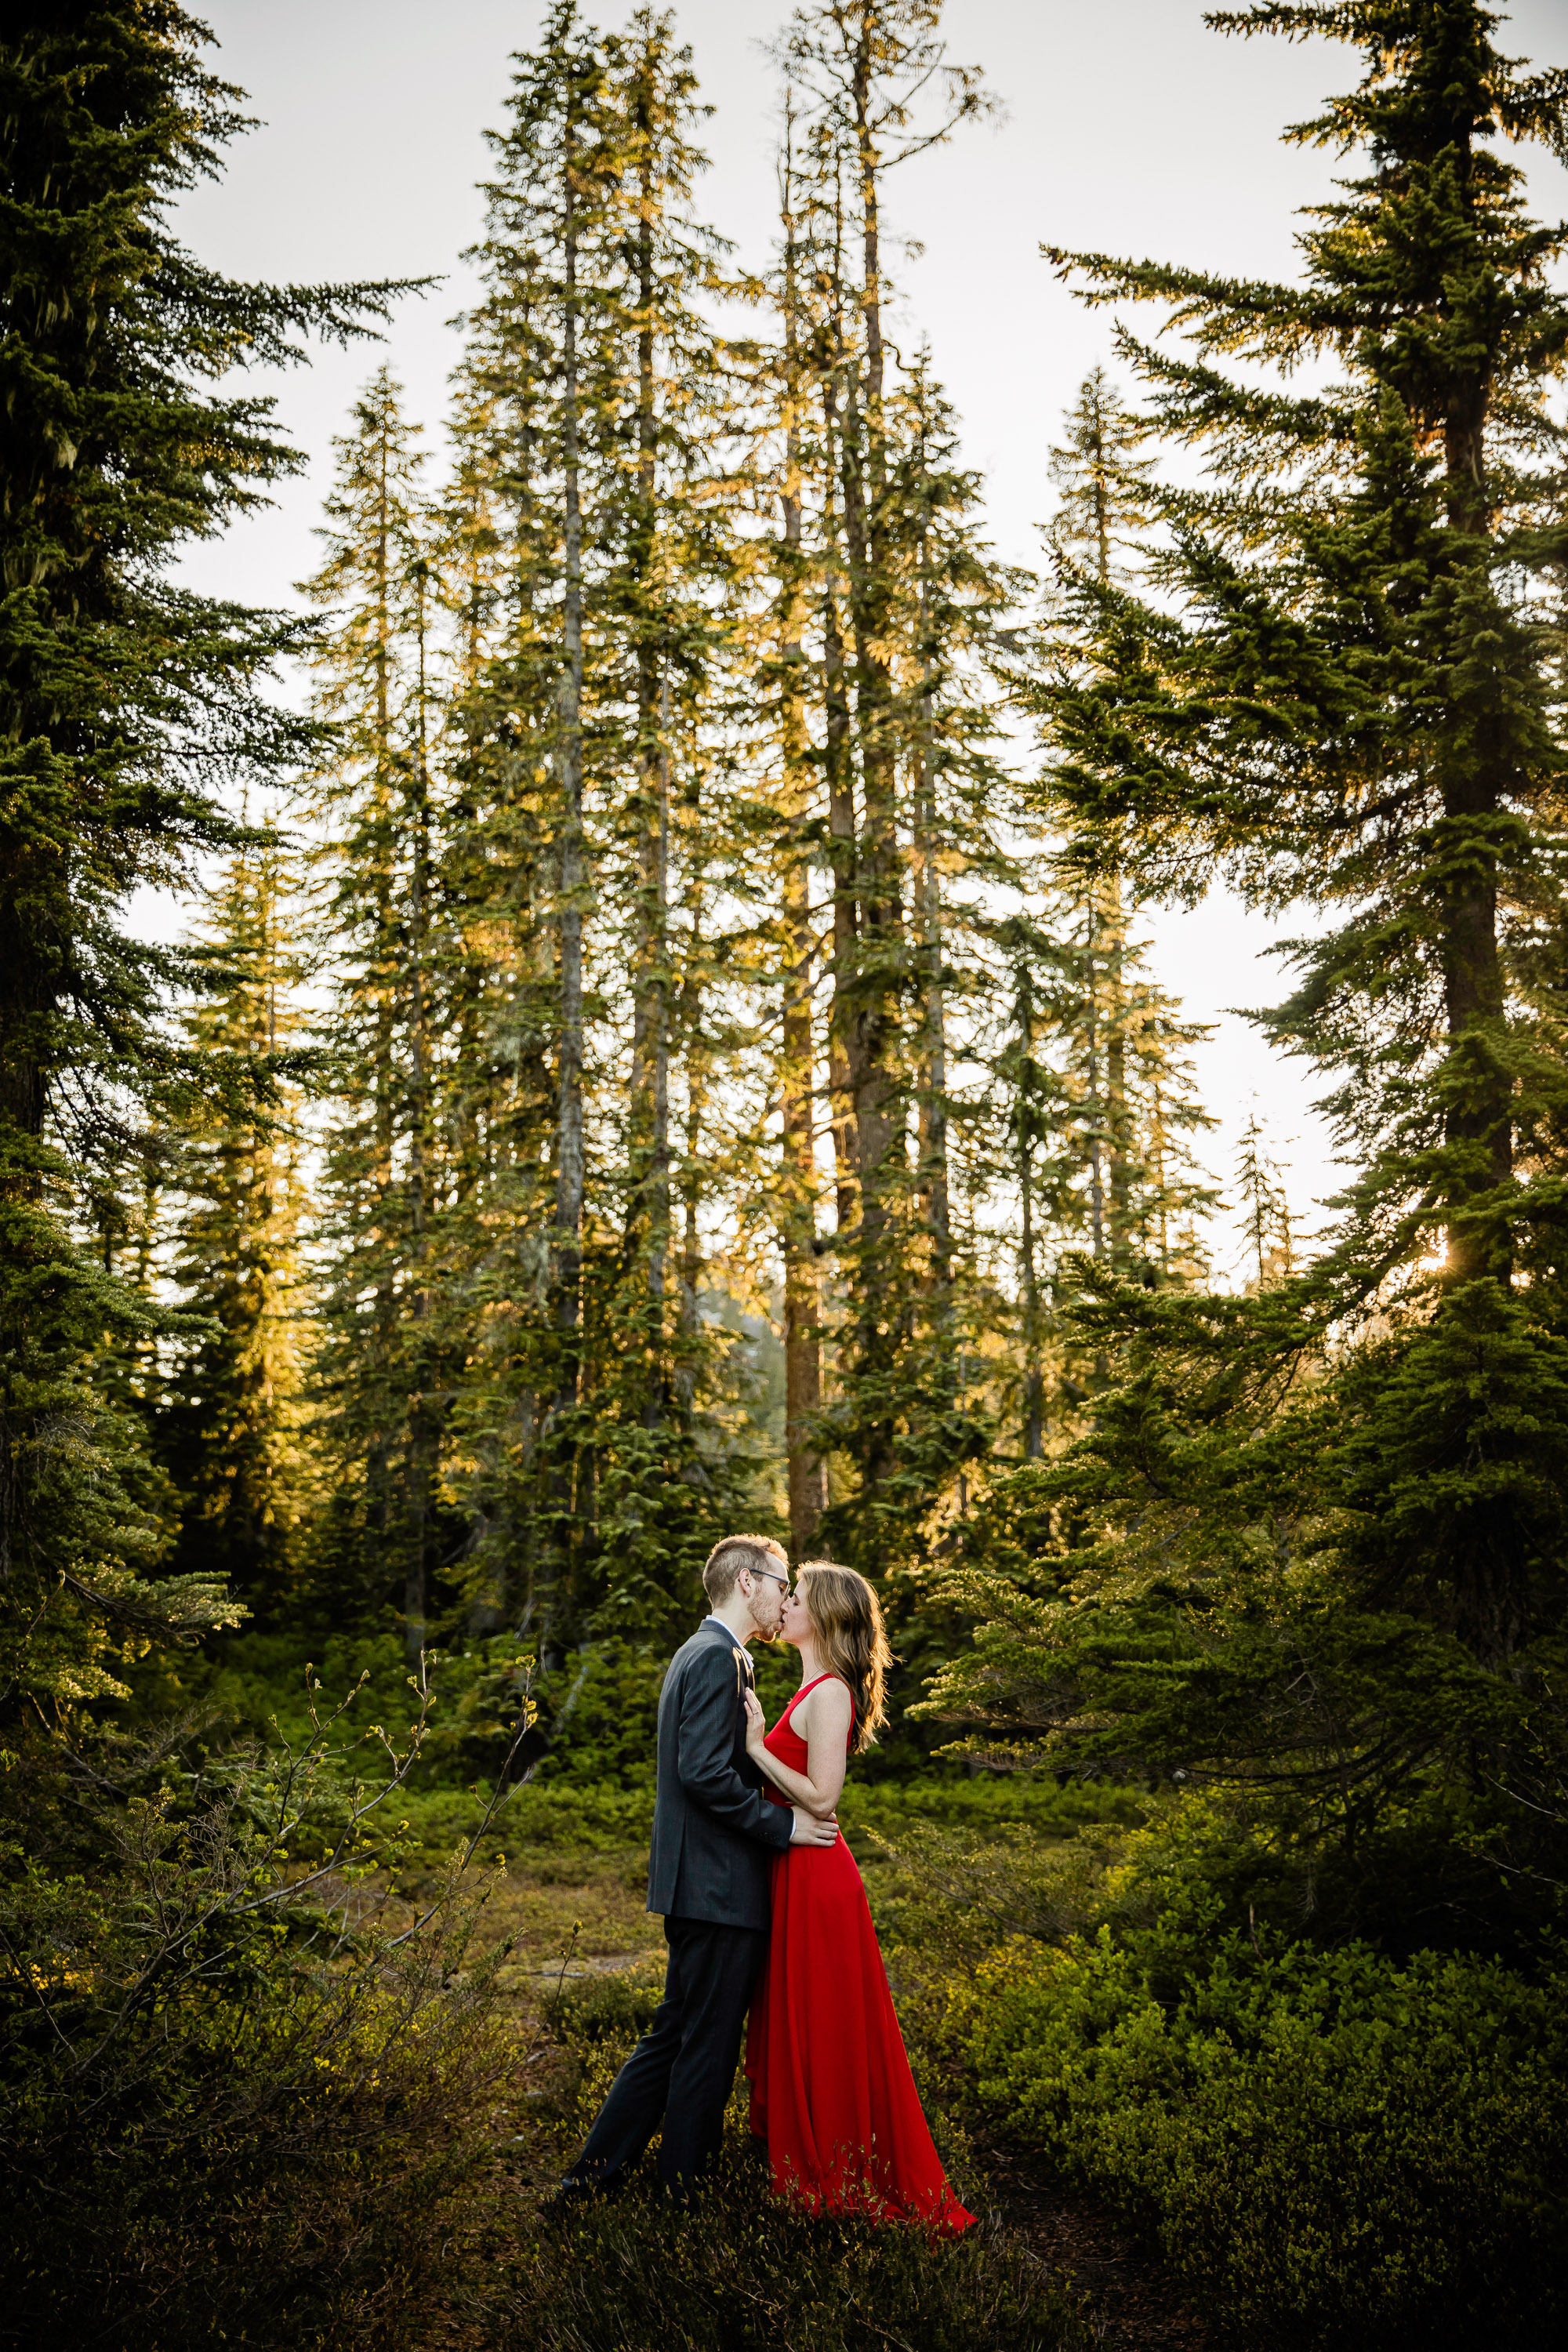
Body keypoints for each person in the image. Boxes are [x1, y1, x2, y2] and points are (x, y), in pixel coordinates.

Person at [556, 1534, 839, 2203]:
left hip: (700, 1888)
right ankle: (683, 2195)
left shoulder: (706, 1652)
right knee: (705, 2046)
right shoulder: (718, 1659)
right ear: (747, 1582)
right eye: (779, 1584)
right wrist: (784, 1826)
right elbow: (705, 1774)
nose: (784, 1598)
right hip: (719, 1889)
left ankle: (591, 2180)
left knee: (675, 2036)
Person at [742, 1559, 975, 2232]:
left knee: (830, 2024)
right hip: (798, 1871)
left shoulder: (833, 1692)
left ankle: (839, 2167)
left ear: (826, 1616)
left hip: (819, 1880)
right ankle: (814, 2150)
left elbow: (821, 1798)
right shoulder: (811, 1685)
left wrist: (756, 1748)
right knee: (804, 2018)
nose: (784, 1606)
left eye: (797, 1598)